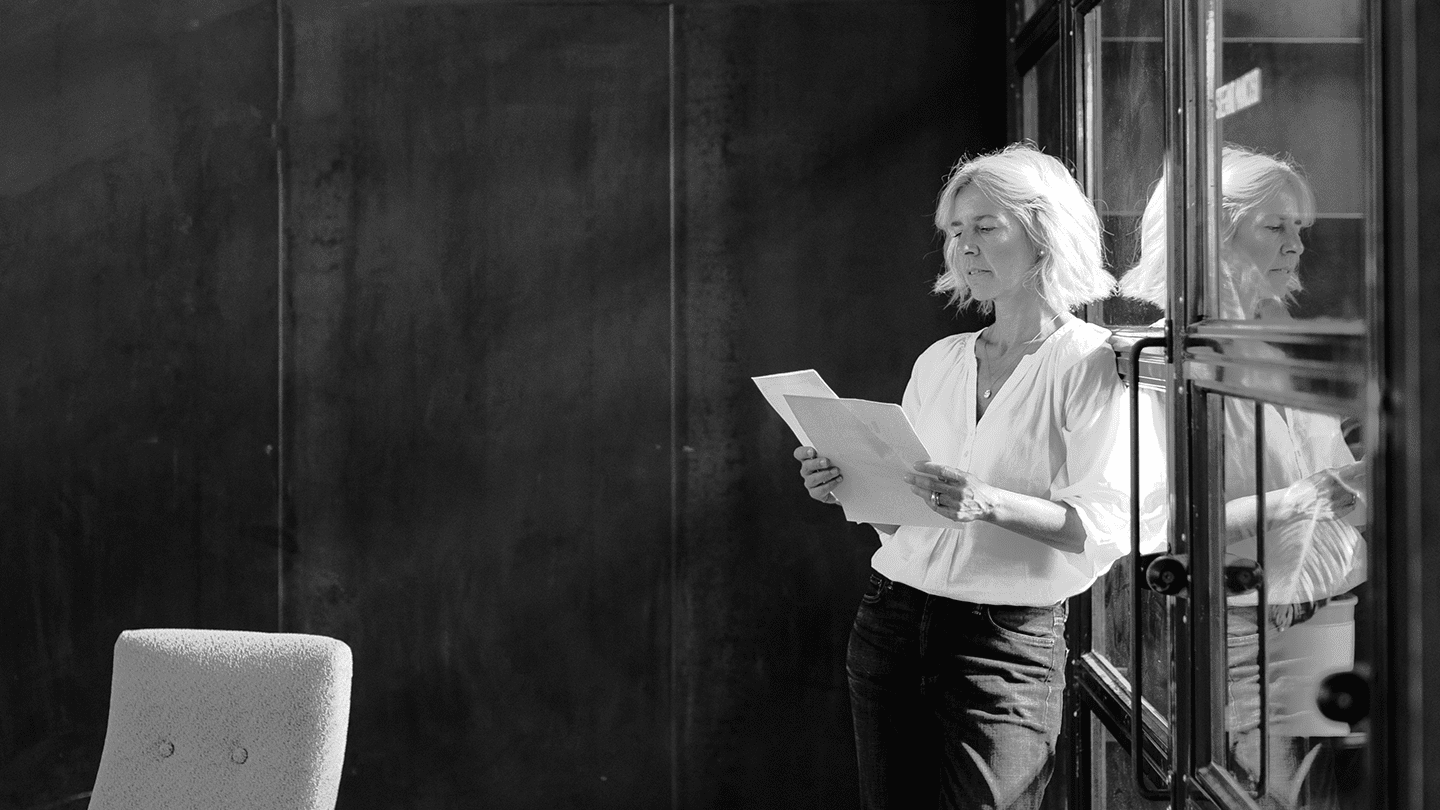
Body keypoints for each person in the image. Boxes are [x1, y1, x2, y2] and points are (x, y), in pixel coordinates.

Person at [793, 143, 1131, 809]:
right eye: (954, 231)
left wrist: (988, 502)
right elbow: (905, 522)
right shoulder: (941, 360)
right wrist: (844, 485)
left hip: (1002, 644)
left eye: (984, 227)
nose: (964, 248)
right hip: (890, 617)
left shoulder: (1092, 364)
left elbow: (1107, 526)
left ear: (1043, 234)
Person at [1119, 145, 1368, 809]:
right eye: (1275, 227)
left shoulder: (1266, 341)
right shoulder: (1166, 361)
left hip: (1329, 621)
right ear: (1213, 236)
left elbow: (1337, 486)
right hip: (1249, 632)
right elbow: (1162, 530)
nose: (1296, 245)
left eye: (1300, 229)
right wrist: (1304, 498)